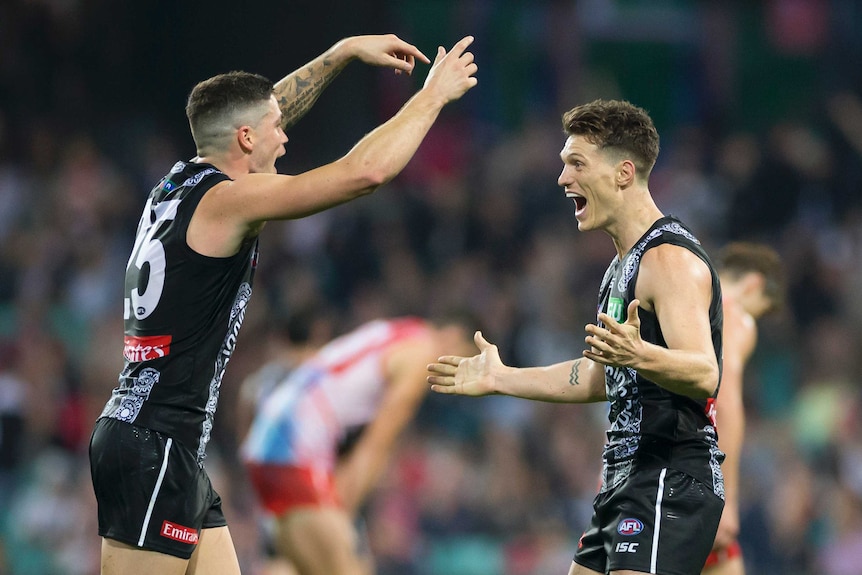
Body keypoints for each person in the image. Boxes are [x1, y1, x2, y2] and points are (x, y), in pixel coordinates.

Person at [88, 33, 478, 575]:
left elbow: (261, 112)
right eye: (276, 130)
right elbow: (363, 174)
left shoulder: (175, 186)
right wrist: (432, 96)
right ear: (246, 138)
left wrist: (339, 54)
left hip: (168, 443)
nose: (286, 138)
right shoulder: (227, 200)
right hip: (155, 441)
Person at [428, 99, 726, 575]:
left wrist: (639, 353)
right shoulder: (619, 268)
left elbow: (704, 372)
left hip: (668, 474)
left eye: (576, 164)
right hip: (622, 483)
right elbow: (594, 379)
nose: (562, 179)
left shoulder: (668, 260)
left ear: (624, 172)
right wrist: (503, 377)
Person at [240, 314, 477, 575]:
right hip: (294, 450)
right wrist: (342, 516)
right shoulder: (422, 356)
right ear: (455, 337)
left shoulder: (401, 331)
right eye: (463, 365)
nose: (458, 382)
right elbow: (376, 444)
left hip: (271, 442)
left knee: (295, 564)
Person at [703, 242, 784, 575]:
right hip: (692, 486)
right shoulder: (734, 313)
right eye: (760, 312)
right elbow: (726, 397)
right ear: (754, 285)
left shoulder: (675, 300)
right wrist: (728, 500)